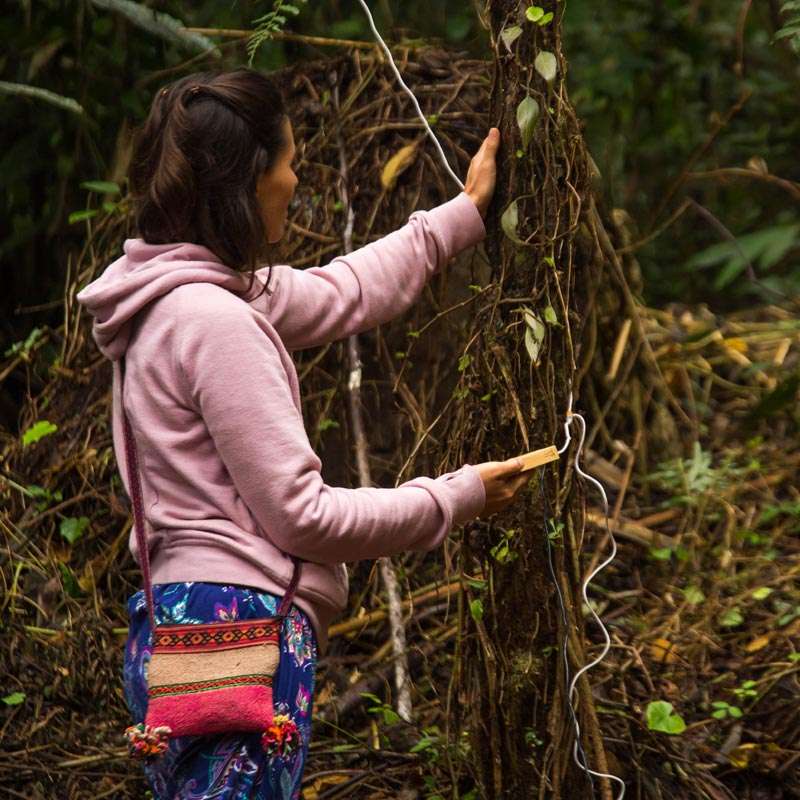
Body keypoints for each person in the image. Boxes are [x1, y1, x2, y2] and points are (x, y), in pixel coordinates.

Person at [76, 67, 528, 799]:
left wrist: (464, 214)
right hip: (241, 632)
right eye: (288, 162)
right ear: (249, 182)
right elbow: (304, 517)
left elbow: (341, 289)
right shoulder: (216, 323)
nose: (295, 179)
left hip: (177, 625)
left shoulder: (167, 301)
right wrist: (458, 496)